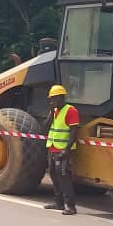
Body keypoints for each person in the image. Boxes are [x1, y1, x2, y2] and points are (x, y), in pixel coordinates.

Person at [43, 84, 79, 215]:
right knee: (53, 174)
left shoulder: (71, 111)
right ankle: (58, 203)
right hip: (52, 148)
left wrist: (66, 150)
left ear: (60, 97)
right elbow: (45, 127)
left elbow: (74, 132)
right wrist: (51, 113)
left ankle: (70, 206)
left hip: (63, 150)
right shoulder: (55, 111)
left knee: (63, 176)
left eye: (53, 99)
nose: (51, 101)